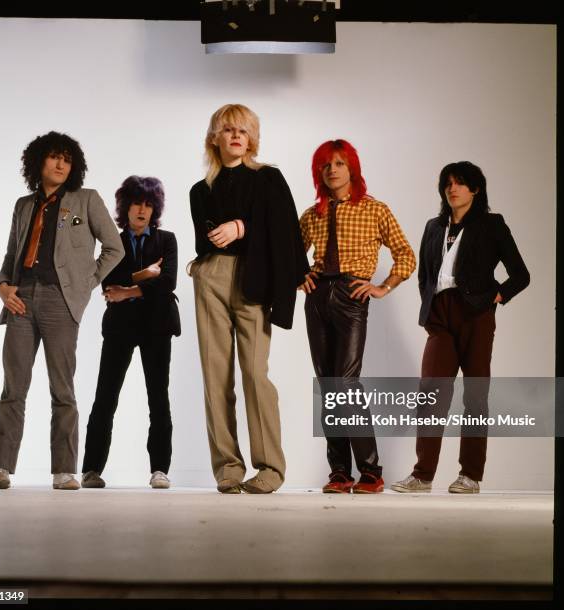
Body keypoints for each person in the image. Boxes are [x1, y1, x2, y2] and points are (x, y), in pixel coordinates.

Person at [0, 131, 124, 490]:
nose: (61, 163)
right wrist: (3, 287)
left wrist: (85, 284)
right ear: (39, 162)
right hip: (20, 301)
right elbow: (9, 256)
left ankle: (64, 470)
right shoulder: (23, 205)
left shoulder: (86, 200)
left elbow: (115, 249)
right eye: (54, 157)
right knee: (13, 387)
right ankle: (1, 467)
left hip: (60, 302)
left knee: (62, 389)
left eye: (67, 158)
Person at [189, 103, 309, 494]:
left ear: (252, 138)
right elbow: (206, 234)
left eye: (243, 130)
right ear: (215, 138)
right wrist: (205, 258)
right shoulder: (201, 190)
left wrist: (242, 227)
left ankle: (270, 468)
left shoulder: (268, 179)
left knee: (255, 374)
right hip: (211, 275)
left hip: (253, 277)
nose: (236, 136)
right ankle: (227, 468)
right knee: (215, 375)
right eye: (227, 130)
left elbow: (285, 226)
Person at [391, 161, 530, 494]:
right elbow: (425, 273)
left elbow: (520, 275)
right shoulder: (433, 227)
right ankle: (422, 475)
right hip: (441, 315)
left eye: (460, 183)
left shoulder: (491, 225)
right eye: (448, 183)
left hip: (476, 315)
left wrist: (495, 297)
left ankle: (470, 475)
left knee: (475, 395)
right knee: (431, 393)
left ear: (476, 189)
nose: (452, 188)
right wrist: (430, 304)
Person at [299, 139, 416, 494]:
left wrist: (382, 287)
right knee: (328, 385)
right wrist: (298, 275)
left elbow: (406, 256)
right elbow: (290, 254)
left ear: (352, 168)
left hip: (352, 295)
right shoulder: (311, 214)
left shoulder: (374, 209)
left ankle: (370, 471)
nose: (332, 170)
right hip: (318, 297)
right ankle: (339, 472)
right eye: (325, 165)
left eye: (338, 163)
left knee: (346, 384)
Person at [81, 176, 180, 489]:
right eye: (137, 203)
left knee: (158, 397)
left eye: (149, 204)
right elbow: (106, 279)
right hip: (120, 328)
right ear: (126, 207)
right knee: (105, 397)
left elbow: (168, 283)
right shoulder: (115, 242)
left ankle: (160, 469)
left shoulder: (167, 240)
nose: (142, 210)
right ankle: (91, 469)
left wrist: (128, 291)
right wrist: (144, 275)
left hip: (156, 325)